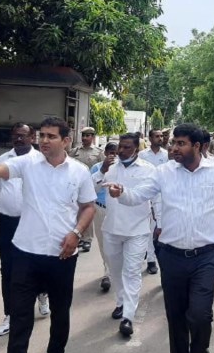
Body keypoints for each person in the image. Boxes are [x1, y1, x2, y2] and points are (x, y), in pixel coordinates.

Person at [107, 123, 214, 353]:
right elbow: (139, 195)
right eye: (173, 143)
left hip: (205, 256)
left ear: (198, 147)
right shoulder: (163, 173)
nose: (173, 148)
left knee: (200, 315)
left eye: (180, 143)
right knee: (176, 318)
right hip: (172, 256)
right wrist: (122, 193)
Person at [0, 117, 96, 353]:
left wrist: (76, 233)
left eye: (51, 136)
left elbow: (88, 207)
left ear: (66, 141)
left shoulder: (79, 171)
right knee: (20, 315)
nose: (44, 140)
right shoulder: (27, 164)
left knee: (60, 312)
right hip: (26, 254)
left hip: (62, 256)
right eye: (42, 135)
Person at [93, 133, 160, 337]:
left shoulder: (149, 170)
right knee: (116, 270)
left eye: (126, 148)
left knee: (131, 272)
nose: (121, 151)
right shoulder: (109, 167)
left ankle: (128, 317)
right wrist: (101, 171)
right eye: (120, 147)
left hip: (137, 230)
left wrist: (160, 223)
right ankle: (121, 302)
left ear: (136, 150)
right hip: (112, 228)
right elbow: (90, 189)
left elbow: (155, 198)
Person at [0, 123, 49, 337]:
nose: (18, 139)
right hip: (8, 222)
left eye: (23, 136)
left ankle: (42, 293)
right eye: (15, 136)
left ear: (32, 137)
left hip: (33, 222)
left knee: (37, 264)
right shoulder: (2, 160)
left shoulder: (41, 160)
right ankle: (10, 314)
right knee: (7, 268)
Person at [68, 126, 104, 253]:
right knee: (75, 212)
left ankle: (87, 239)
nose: (84, 138)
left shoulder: (99, 153)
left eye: (87, 135)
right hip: (75, 186)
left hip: (90, 186)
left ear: (92, 137)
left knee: (87, 211)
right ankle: (77, 236)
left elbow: (102, 169)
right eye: (83, 135)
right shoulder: (74, 151)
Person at [139, 129, 168, 275]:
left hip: (162, 196)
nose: (160, 138)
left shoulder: (166, 155)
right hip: (147, 194)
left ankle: (158, 258)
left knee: (160, 227)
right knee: (149, 228)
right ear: (150, 138)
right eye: (157, 136)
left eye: (161, 136)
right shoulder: (142, 155)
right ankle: (150, 260)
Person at [90, 141, 118, 293]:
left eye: (116, 152)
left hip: (118, 210)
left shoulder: (122, 168)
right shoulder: (97, 168)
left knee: (116, 241)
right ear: (105, 153)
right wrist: (103, 169)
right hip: (100, 208)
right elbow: (91, 187)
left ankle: (114, 271)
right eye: (110, 152)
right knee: (103, 241)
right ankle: (107, 272)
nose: (113, 155)